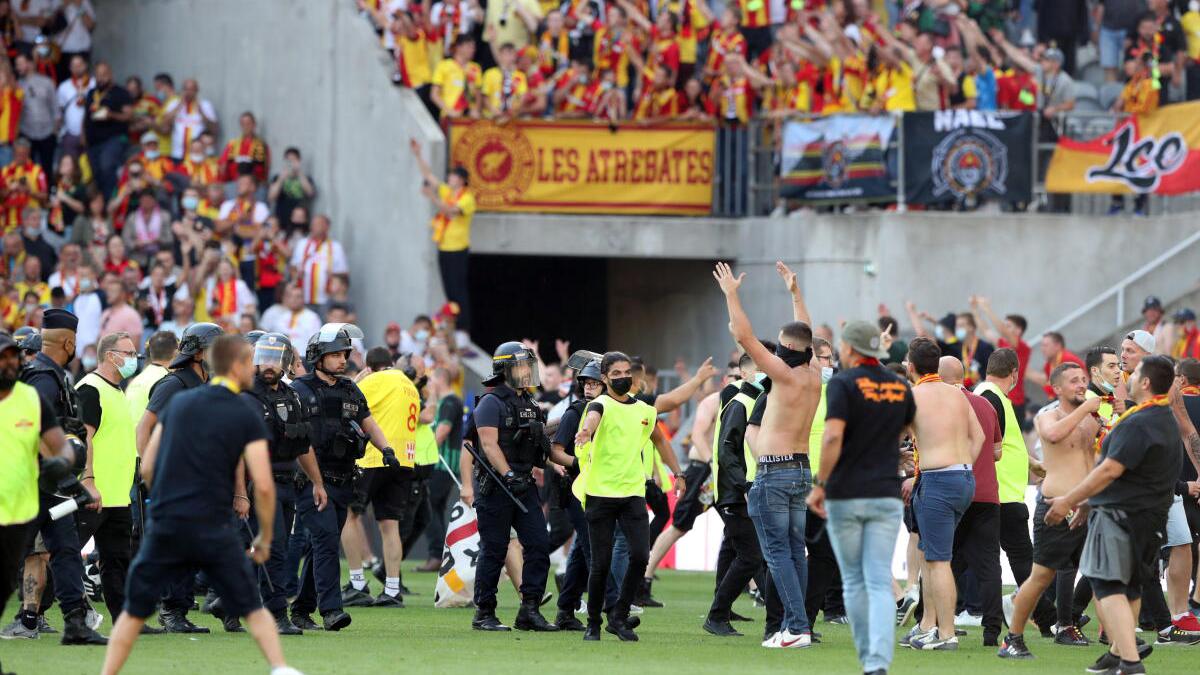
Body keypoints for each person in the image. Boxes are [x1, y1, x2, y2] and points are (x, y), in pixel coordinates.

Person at [99, 336, 302, 675]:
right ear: (236, 366)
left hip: (168, 523)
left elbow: (148, 464)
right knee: (252, 607)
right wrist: (265, 537)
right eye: (249, 360)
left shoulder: (180, 402)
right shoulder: (244, 411)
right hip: (212, 526)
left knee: (134, 613)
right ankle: (280, 668)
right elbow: (264, 486)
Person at [1044, 355, 1184, 675]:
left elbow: (1109, 469)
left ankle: (1130, 663)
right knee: (1131, 588)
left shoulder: (1139, 421)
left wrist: (1069, 500)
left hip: (1122, 516)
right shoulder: (1163, 418)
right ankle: (1118, 653)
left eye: (1133, 374)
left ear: (1145, 383)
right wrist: (1087, 503)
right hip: (1149, 518)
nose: (1126, 377)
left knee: (1107, 586)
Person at [713, 261, 820, 648]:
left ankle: (796, 628)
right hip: (801, 471)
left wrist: (731, 294)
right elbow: (803, 333)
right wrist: (794, 294)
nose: (774, 347)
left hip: (774, 473)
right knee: (795, 553)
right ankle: (798, 624)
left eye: (780, 344)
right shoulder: (812, 375)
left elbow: (744, 335)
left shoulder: (785, 374)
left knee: (777, 554)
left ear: (787, 350)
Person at [807, 320, 915, 675]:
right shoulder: (901, 386)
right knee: (878, 578)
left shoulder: (842, 383)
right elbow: (907, 430)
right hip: (886, 492)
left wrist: (821, 483)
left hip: (846, 493)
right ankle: (878, 663)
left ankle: (869, 657)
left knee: (854, 580)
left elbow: (833, 436)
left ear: (850, 350)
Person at [289, 323, 397, 631]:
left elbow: (368, 421)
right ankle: (332, 611)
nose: (342, 359)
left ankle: (301, 609)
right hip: (312, 481)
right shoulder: (300, 390)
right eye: (335, 354)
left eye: (344, 354)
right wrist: (316, 481)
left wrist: (386, 448)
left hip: (343, 479)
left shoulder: (350, 388)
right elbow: (300, 441)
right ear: (318, 357)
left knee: (321, 545)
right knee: (324, 542)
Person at [571, 350, 686, 641]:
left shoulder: (645, 411)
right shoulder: (599, 404)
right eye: (616, 374)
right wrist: (585, 432)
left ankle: (619, 616)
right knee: (600, 563)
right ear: (604, 378)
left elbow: (660, 441)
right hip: (600, 493)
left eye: (626, 373)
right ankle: (594, 623)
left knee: (640, 555)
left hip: (633, 493)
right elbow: (593, 417)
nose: (623, 377)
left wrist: (679, 474)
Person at [998, 361, 1101, 660]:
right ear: (1057, 388)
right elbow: (1054, 435)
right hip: (1055, 507)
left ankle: (1120, 647)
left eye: (1083, 380)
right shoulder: (1047, 415)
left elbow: (1095, 460)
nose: (1082, 385)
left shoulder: (1093, 419)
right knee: (1041, 577)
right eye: (1073, 381)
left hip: (1086, 507)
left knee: (1104, 574)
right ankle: (1013, 639)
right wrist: (1085, 410)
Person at [17, 307, 107, 645]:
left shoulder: (47, 374)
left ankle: (75, 624)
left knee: (65, 549)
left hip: (45, 484)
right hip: (33, 482)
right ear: (68, 343)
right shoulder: (43, 376)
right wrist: (69, 480)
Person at [134, 321, 222, 633]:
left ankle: (178, 609)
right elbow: (144, 428)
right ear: (198, 352)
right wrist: (150, 474)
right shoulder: (174, 384)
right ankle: (171, 611)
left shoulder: (207, 384)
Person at [0, 331, 81, 667]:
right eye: (2, 357)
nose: (8, 363)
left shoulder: (31, 397)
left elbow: (57, 441)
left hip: (20, 512)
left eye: (12, 356)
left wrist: (64, 459)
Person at [465, 341, 558, 632]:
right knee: (494, 549)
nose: (526, 372)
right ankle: (484, 613)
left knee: (539, 544)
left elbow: (541, 443)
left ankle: (529, 610)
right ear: (504, 369)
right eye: (520, 366)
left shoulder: (530, 403)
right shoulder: (491, 402)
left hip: (525, 485)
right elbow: (489, 445)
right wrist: (507, 475)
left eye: (528, 366)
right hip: (496, 487)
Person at [240, 333, 327, 635]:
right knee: (276, 548)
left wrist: (317, 482)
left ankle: (228, 600)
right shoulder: (247, 397)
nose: (269, 365)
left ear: (286, 364)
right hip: (259, 483)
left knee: (271, 548)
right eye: (264, 357)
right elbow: (238, 451)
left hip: (288, 482)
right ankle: (276, 614)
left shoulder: (291, 397)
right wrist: (240, 492)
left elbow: (303, 446)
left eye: (276, 359)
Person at [905, 338, 982, 651]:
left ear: (910, 366)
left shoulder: (912, 395)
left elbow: (893, 433)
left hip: (938, 480)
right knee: (929, 554)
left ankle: (945, 632)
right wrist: (962, 466)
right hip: (963, 478)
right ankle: (929, 626)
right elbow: (978, 437)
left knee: (938, 561)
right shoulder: (957, 394)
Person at [977, 348, 1055, 634]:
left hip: (1000, 492)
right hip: (1001, 494)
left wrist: (1031, 462)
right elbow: (986, 444)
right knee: (1024, 561)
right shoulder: (991, 399)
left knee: (1010, 560)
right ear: (1014, 374)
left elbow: (1004, 443)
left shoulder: (990, 396)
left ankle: (1045, 617)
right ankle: (1049, 618)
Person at [343, 346, 420, 608]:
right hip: (405, 460)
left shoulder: (374, 380)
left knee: (349, 516)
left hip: (374, 457)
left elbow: (346, 403)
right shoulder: (409, 384)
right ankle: (392, 589)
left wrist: (357, 381)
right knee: (390, 526)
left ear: (371, 366)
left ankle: (356, 584)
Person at [938, 356, 1004, 647]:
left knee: (941, 561)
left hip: (952, 493)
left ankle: (938, 624)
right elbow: (997, 452)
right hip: (987, 495)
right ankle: (992, 632)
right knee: (989, 566)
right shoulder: (987, 405)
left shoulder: (941, 405)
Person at [704, 356, 767, 637]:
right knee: (751, 556)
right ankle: (717, 615)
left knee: (734, 550)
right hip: (736, 493)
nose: (765, 373)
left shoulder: (757, 402)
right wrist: (743, 486)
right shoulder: (740, 403)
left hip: (742, 491)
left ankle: (722, 612)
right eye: (760, 368)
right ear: (744, 372)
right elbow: (727, 451)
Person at [548, 356, 602, 631]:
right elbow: (555, 450)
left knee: (582, 552)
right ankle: (610, 611)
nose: (589, 387)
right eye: (587, 383)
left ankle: (566, 612)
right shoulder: (575, 412)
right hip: (574, 488)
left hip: (596, 488)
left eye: (595, 383)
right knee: (594, 550)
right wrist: (579, 463)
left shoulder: (607, 411)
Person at [410, 138, 475, 333]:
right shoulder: (448, 191)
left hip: (458, 248)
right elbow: (429, 176)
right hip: (444, 246)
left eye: (454, 177)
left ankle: (463, 327)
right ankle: (454, 325)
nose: (450, 178)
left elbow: (451, 212)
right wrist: (418, 154)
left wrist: (432, 197)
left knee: (458, 290)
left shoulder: (467, 198)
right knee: (449, 290)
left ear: (462, 180)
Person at [420, 366, 463, 572]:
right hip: (442, 465)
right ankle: (440, 555)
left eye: (431, 380)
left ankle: (437, 554)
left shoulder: (450, 402)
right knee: (434, 508)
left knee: (429, 506)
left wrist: (425, 454)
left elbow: (442, 431)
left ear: (439, 379)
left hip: (442, 464)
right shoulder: (444, 402)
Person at [82, 63, 132, 201]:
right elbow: (86, 117)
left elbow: (128, 116)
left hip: (113, 139)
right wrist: (83, 136)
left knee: (107, 167)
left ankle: (111, 201)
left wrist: (112, 115)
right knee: (96, 172)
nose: (101, 78)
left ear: (111, 75)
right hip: (93, 141)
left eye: (104, 74)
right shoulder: (92, 93)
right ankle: (100, 204)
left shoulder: (121, 93)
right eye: (98, 75)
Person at [125, 331, 176, 449]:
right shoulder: (168, 381)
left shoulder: (135, 381)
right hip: (149, 454)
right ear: (175, 353)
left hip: (131, 453)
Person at [260, 284, 322, 349]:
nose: (294, 299)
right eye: (291, 296)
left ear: (303, 299)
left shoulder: (312, 317)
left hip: (303, 357)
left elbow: (315, 342)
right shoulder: (281, 317)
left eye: (298, 296)